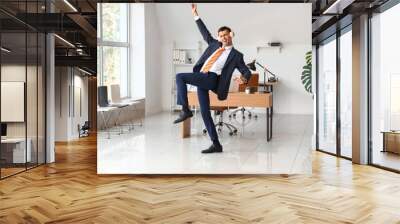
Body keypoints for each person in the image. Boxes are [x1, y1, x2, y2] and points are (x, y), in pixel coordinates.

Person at [174, 3, 252, 154]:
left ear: (231, 35)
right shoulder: (214, 44)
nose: (223, 38)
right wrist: (196, 15)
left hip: (211, 78)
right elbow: (204, 32)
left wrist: (244, 78)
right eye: (221, 35)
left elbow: (245, 70)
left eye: (226, 35)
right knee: (204, 113)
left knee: (179, 76)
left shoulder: (236, 55)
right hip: (202, 77)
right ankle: (216, 144)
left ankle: (185, 109)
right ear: (218, 37)